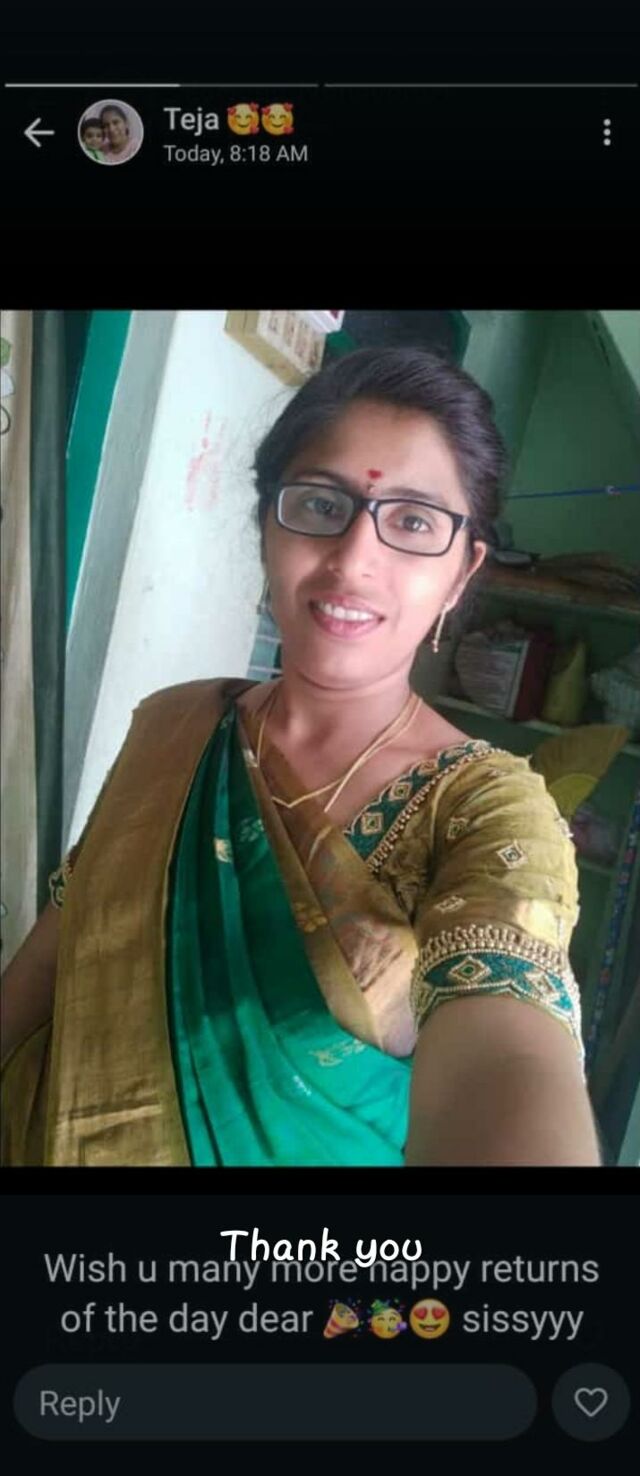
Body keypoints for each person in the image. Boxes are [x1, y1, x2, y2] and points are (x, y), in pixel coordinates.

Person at [0, 346, 601, 1167]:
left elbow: (507, 1048)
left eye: (413, 522)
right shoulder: (175, 725)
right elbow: (67, 929)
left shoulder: (483, 809)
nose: (353, 560)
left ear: (462, 572)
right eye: (320, 504)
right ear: (266, 527)